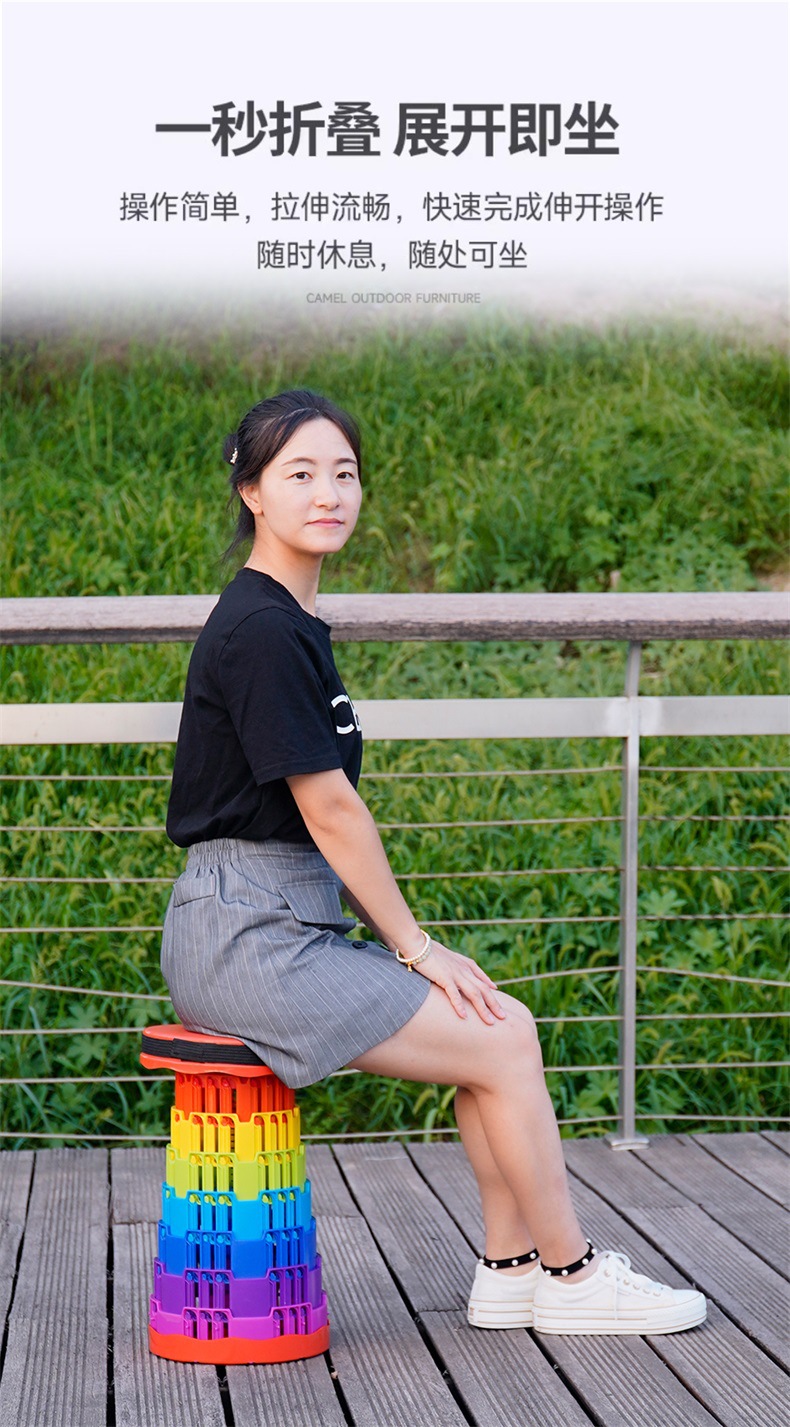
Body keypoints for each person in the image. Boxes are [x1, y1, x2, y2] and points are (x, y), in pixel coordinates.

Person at [161, 387, 706, 1337]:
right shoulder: (261, 631)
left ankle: (509, 1271)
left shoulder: (287, 621)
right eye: (300, 473)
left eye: (344, 473)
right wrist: (415, 948)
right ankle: (572, 1275)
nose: (328, 493)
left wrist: (415, 954)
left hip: (271, 920)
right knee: (502, 1036)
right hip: (245, 936)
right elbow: (330, 810)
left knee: (491, 1029)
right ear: (251, 490)